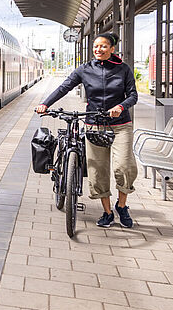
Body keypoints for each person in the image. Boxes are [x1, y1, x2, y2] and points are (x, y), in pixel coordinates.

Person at [35, 32, 138, 228]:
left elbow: (133, 95)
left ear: (112, 49)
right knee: (97, 170)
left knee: (124, 166)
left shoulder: (123, 69)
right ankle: (107, 212)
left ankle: (122, 206)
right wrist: (45, 104)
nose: (98, 50)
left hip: (120, 125)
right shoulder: (84, 69)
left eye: (103, 46)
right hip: (94, 124)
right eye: (96, 46)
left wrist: (120, 107)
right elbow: (64, 87)